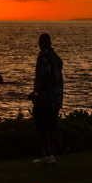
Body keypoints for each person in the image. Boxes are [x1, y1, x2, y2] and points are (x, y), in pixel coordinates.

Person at [30, 32, 64, 164]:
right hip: (56, 97)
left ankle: (47, 154)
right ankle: (51, 155)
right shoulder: (56, 57)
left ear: (41, 43)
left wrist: (37, 93)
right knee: (52, 126)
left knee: (41, 126)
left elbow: (44, 77)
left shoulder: (43, 56)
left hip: (46, 97)